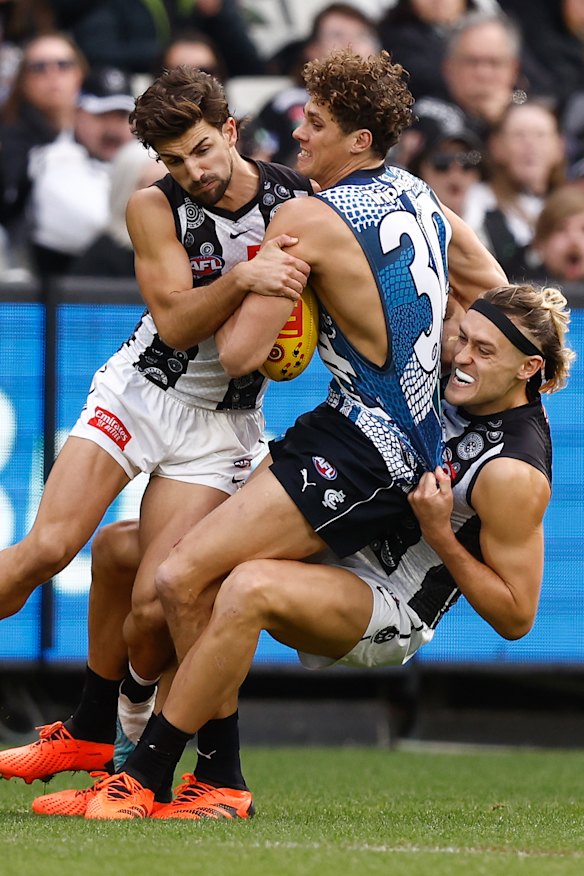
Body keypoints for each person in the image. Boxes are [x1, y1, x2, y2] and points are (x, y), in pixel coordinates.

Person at [69, 47, 507, 819]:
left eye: (316, 123)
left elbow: (243, 355)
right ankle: (182, 768)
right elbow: (495, 290)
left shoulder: (306, 215)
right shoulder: (417, 193)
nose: (299, 137)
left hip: (361, 444)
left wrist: (279, 297)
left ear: (359, 140)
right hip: (376, 433)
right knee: (155, 565)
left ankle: (168, 772)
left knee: (179, 580)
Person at [80, 281, 573, 820]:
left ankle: (149, 774)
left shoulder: (513, 471)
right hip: (335, 537)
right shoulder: (448, 374)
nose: (460, 357)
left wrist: (440, 534)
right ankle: (99, 735)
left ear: (528, 369)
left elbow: (516, 615)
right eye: (463, 339)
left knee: (245, 587)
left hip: (388, 597)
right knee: (125, 550)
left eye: (484, 352)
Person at [0, 65, 313, 804]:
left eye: (203, 150)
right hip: (138, 391)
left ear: (231, 131)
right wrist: (245, 279)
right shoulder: (153, 207)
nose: (193, 172)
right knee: (46, 548)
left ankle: (115, 738)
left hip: (222, 425)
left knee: (159, 601)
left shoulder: (297, 203)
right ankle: (119, 741)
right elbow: (174, 321)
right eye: (175, 160)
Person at [27, 65, 136, 278]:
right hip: (66, 291)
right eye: (101, 115)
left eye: (122, 116)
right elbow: (94, 222)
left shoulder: (145, 158)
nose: (113, 128)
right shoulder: (52, 160)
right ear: (77, 114)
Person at [241, 3, 381, 168]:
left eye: (361, 36)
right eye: (337, 35)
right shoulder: (288, 103)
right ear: (312, 50)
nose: (351, 44)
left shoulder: (388, 109)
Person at [0, 32, 87, 274]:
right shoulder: (7, 137)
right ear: (23, 80)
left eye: (63, 65)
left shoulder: (101, 124)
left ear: (79, 73)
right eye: (39, 67)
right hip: (27, 254)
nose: (52, 74)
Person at [463, 99, 567, 279]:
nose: (530, 145)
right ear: (496, 146)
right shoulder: (476, 201)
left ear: (559, 147)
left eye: (541, 135)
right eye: (519, 135)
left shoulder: (572, 205)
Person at [68, 139, 165, 278]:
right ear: (125, 189)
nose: (165, 195)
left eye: (171, 184)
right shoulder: (103, 258)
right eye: (153, 185)